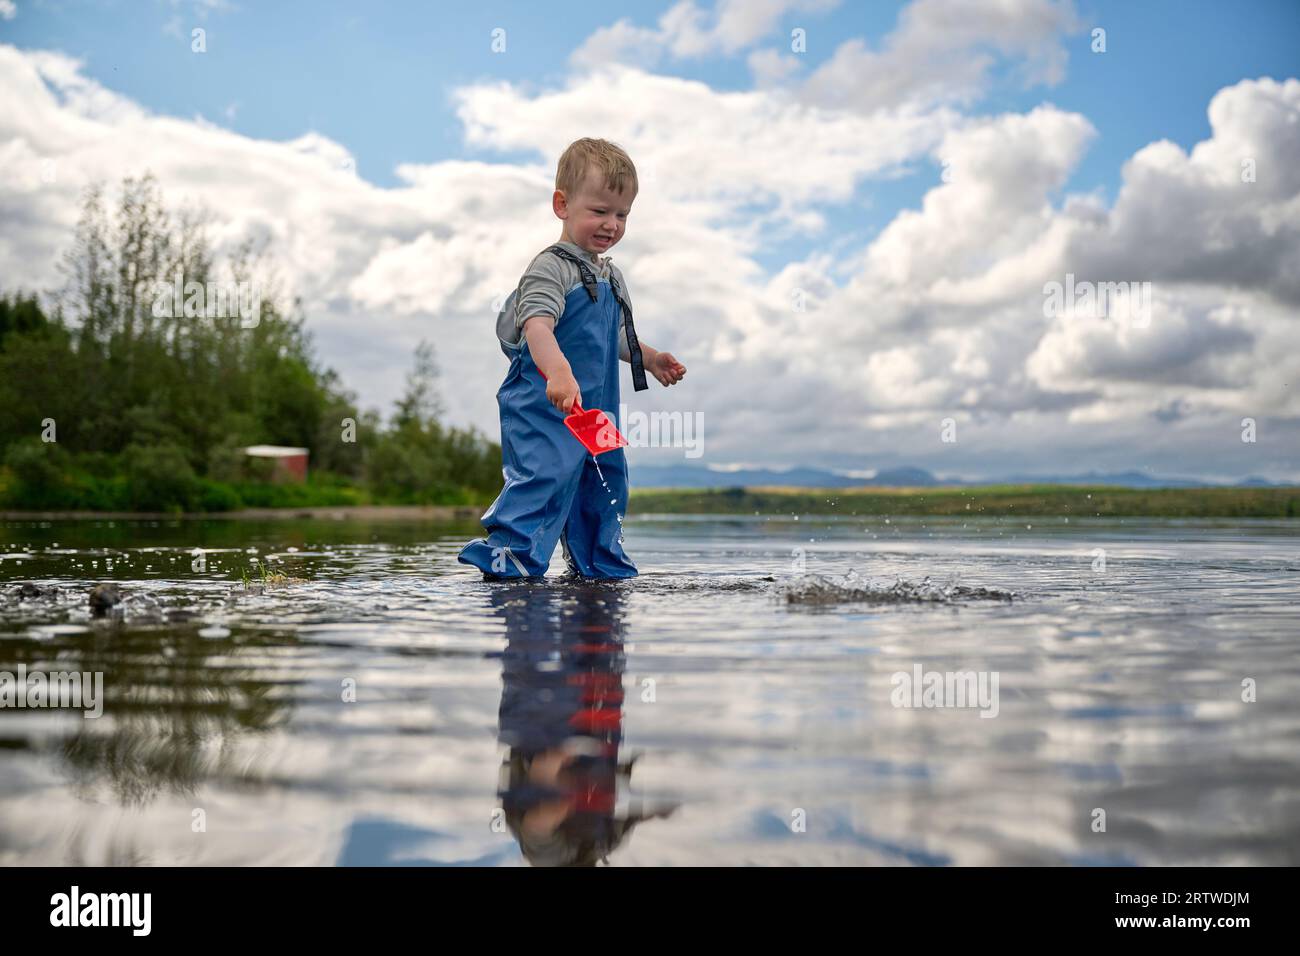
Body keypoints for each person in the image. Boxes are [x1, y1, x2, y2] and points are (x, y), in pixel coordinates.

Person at [459, 138, 686, 580]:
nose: (611, 225)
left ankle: (599, 563)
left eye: (622, 215)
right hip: (545, 404)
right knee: (545, 475)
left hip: (595, 410)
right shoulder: (551, 267)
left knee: (607, 483)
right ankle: (512, 559)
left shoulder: (611, 276)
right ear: (562, 204)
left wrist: (651, 358)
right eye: (599, 211)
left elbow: (614, 336)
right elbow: (537, 326)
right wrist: (559, 372)